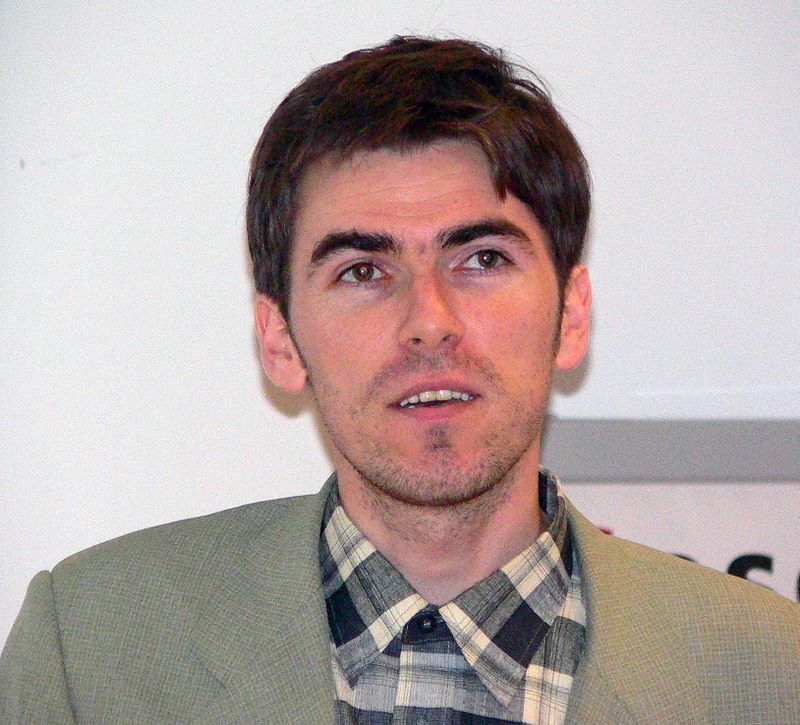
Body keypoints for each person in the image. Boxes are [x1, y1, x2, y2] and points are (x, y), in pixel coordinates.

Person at [1, 36, 798, 725]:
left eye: (482, 258)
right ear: (280, 340)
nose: (430, 320)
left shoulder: (772, 672)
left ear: (572, 315)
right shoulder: (90, 654)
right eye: (362, 270)